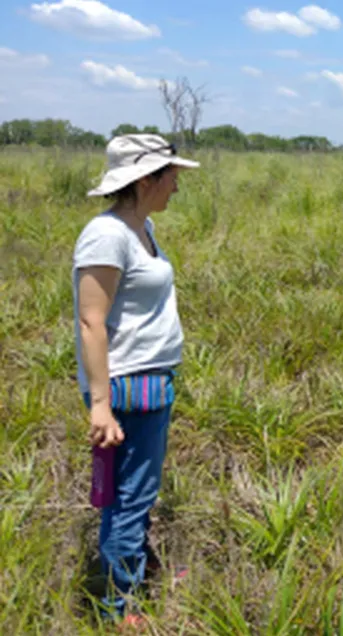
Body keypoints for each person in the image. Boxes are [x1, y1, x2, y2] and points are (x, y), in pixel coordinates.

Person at [73, 134, 198, 623]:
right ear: (145, 179)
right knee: (129, 496)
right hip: (127, 385)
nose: (176, 186)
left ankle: (134, 572)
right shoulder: (107, 235)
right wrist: (100, 405)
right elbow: (91, 321)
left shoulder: (139, 227)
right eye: (171, 176)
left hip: (151, 379)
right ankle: (117, 608)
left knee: (135, 490)